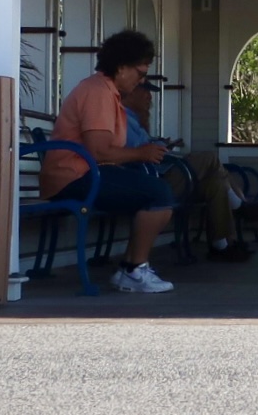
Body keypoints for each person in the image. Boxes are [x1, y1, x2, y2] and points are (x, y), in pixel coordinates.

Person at [44, 29, 178, 294]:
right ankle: (134, 271)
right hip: (73, 178)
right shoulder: (98, 93)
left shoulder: (104, 90)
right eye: (140, 74)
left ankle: (131, 267)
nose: (141, 81)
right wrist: (142, 154)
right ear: (121, 68)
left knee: (154, 190)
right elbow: (99, 151)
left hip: (85, 174)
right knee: (159, 193)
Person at [122, 76, 255, 264]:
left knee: (216, 183)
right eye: (145, 92)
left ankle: (222, 247)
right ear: (131, 93)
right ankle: (241, 206)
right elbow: (135, 149)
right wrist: (159, 144)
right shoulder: (123, 118)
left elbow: (145, 144)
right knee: (209, 158)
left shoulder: (136, 119)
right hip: (152, 179)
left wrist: (160, 142)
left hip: (162, 173)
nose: (149, 97)